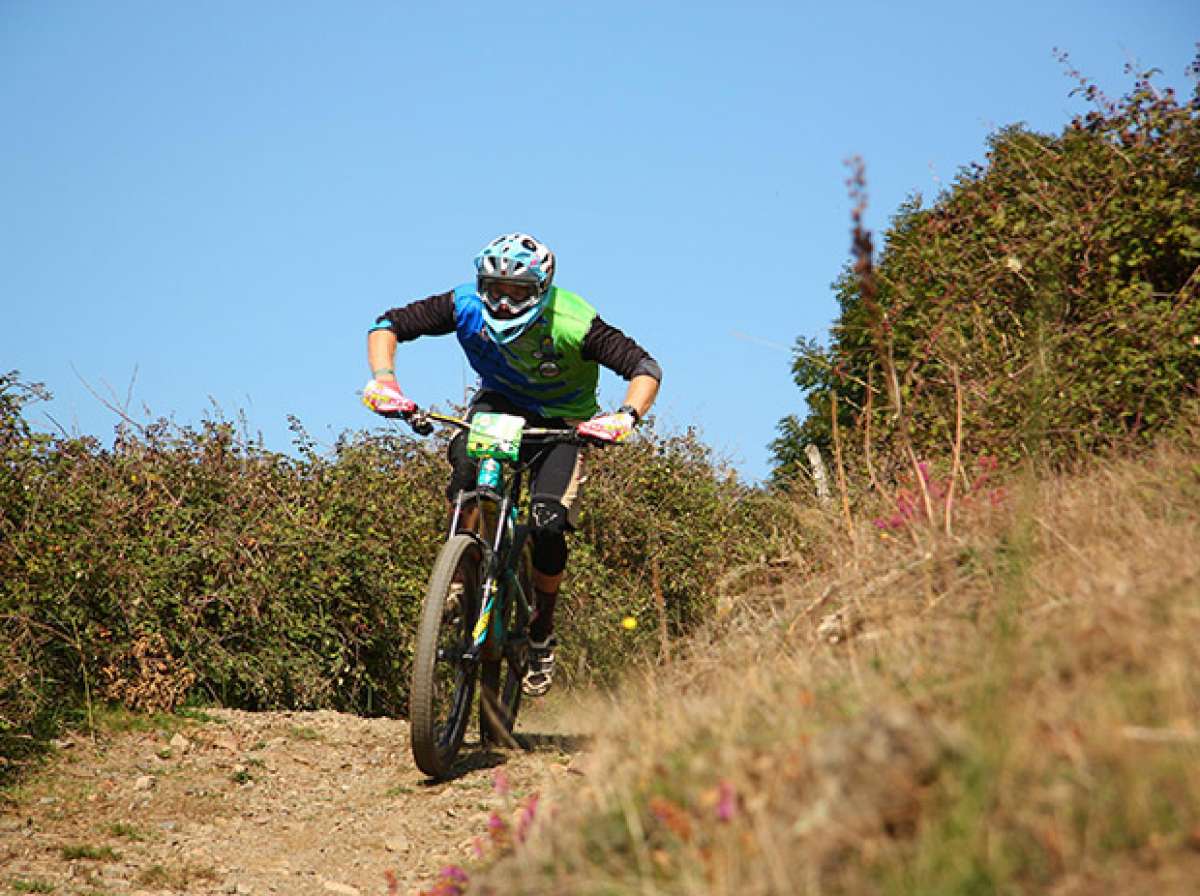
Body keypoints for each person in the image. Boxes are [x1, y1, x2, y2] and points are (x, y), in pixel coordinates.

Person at [361, 232, 661, 696]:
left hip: (563, 423)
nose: (502, 302)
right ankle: (460, 576)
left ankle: (541, 630)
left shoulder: (573, 320)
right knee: (465, 468)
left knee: (546, 522)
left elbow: (644, 367)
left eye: (516, 292)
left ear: (540, 290)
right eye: (494, 288)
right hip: (499, 407)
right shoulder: (464, 304)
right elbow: (388, 323)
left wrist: (625, 416)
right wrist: (385, 383)